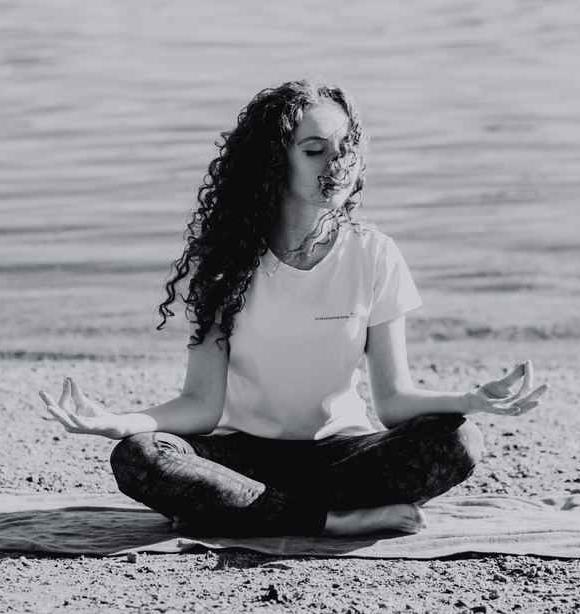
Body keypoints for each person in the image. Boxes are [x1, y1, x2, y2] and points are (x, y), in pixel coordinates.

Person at [40, 80, 549, 538]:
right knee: (140, 457)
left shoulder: (374, 253)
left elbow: (392, 402)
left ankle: (238, 510)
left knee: (458, 439)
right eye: (315, 150)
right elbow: (200, 406)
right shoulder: (228, 263)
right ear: (274, 160)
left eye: (345, 148)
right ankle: (331, 521)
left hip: (340, 457)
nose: (337, 163)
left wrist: (470, 398)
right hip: (243, 456)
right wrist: (120, 421)